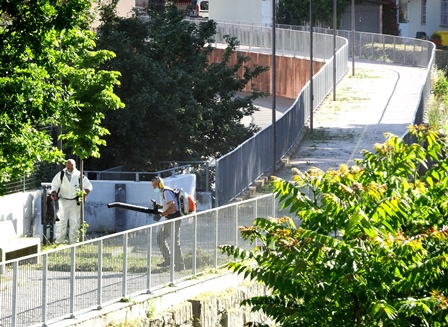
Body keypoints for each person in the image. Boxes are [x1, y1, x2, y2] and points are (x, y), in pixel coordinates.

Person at [50, 159, 93, 244]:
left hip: (75, 201)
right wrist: (53, 192)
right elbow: (54, 185)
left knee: (75, 222)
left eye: (71, 168)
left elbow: (89, 187)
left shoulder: (79, 175)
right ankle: (59, 241)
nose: (70, 170)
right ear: (66, 166)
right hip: (63, 200)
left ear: (75, 166)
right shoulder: (61, 175)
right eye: (68, 168)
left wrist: (84, 194)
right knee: (61, 221)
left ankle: (74, 242)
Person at [151, 176, 185, 272]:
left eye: (155, 185)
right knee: (160, 238)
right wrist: (157, 206)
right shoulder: (164, 192)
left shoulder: (166, 192)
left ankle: (180, 265)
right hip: (169, 219)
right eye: (153, 186)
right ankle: (168, 260)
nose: (154, 187)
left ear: (160, 184)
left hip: (174, 219)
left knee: (175, 242)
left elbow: (173, 207)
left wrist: (161, 215)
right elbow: (167, 205)